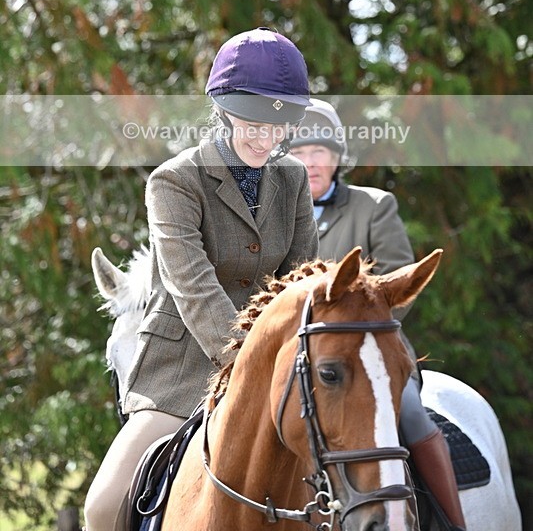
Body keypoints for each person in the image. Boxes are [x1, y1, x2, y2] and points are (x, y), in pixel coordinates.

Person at [84, 28, 319, 531]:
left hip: (277, 366)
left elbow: (301, 281)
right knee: (103, 507)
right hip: (182, 371)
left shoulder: (294, 179)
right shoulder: (173, 181)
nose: (265, 138)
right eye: (252, 122)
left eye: (278, 126)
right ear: (222, 110)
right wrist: (246, 358)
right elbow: (193, 286)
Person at [290, 98, 467, 531]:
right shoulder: (276, 215)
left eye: (319, 153)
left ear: (336, 158)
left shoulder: (374, 205)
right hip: (295, 356)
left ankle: (450, 520)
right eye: (298, 155)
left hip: (372, 356)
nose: (310, 164)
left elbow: (398, 286)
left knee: (410, 415)